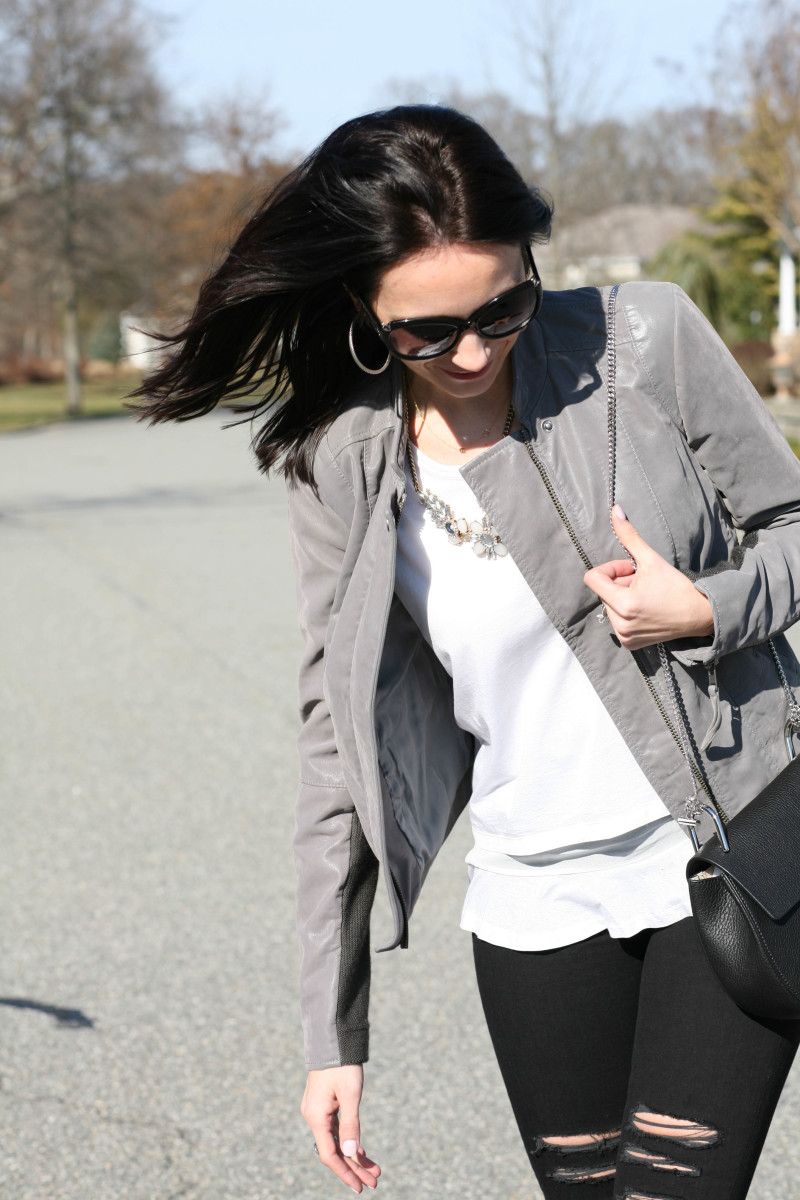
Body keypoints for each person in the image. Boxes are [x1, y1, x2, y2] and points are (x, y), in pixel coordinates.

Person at [134, 105, 800, 1199]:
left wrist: (709, 609)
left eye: (503, 306)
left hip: (722, 856)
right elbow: (331, 747)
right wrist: (330, 1030)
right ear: (361, 306)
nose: (477, 351)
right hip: (532, 899)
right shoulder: (337, 460)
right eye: (425, 332)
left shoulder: (642, 339)